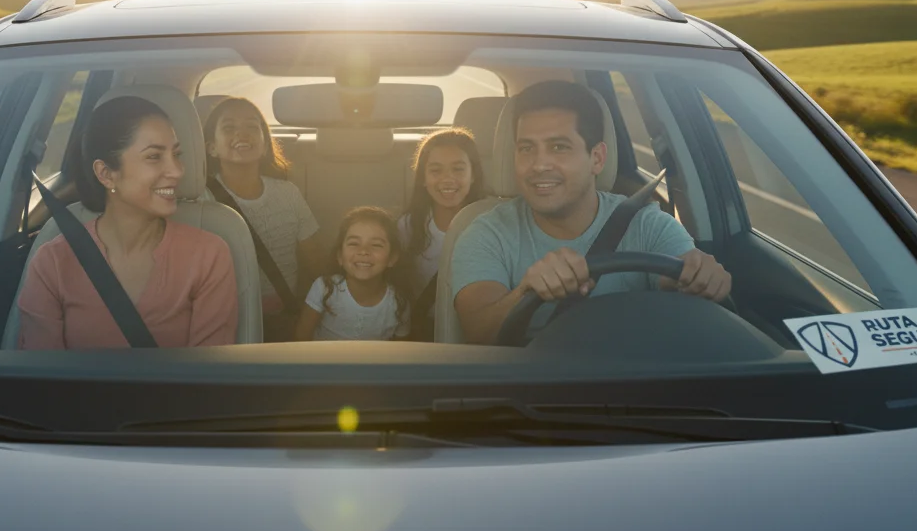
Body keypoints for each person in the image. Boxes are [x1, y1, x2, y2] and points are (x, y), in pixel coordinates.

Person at [451, 80, 731, 345]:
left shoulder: (649, 225)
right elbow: (478, 333)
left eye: (558, 147)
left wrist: (699, 278)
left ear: (596, 158)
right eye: (526, 148)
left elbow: (687, 283)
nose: (538, 165)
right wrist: (524, 292)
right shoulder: (485, 233)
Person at [18, 96, 239, 349]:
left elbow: (210, 379)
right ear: (106, 174)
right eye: (154, 157)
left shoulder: (208, 255)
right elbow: (39, 379)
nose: (178, 170)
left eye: (176, 154)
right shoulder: (53, 262)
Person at [203, 97, 320, 323]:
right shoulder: (202, 201)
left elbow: (315, 261)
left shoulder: (288, 194)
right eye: (229, 128)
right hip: (226, 317)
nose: (242, 134)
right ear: (212, 147)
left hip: (285, 313)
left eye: (251, 126)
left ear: (265, 145)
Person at [398, 128, 487, 336]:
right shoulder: (409, 226)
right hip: (425, 327)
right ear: (423, 179)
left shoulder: (490, 224)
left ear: (473, 175)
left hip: (476, 328)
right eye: (436, 171)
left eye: (458, 169)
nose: (447, 179)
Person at [294, 207, 411, 341]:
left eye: (376, 245)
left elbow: (401, 350)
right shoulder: (325, 288)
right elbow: (301, 338)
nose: (363, 251)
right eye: (354, 243)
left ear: (392, 258)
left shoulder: (399, 303)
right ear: (340, 256)